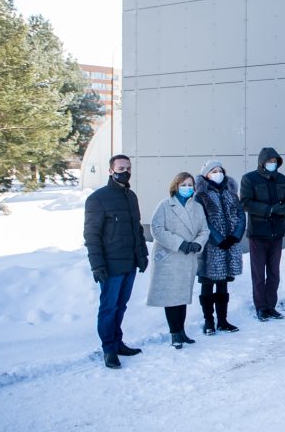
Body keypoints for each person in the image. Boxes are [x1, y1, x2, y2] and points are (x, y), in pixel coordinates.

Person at [83, 154, 149, 369]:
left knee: (121, 306)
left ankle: (118, 342)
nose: (125, 171)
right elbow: (91, 235)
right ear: (111, 171)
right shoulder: (98, 199)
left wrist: (142, 255)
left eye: (128, 168)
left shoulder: (131, 197)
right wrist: (97, 265)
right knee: (109, 308)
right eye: (121, 168)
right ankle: (109, 349)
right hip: (110, 265)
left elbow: (137, 229)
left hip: (129, 263)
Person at [148, 172, 210, 348]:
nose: (187, 188)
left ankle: (181, 331)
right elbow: (157, 229)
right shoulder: (165, 205)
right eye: (183, 184)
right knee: (171, 297)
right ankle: (174, 333)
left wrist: (197, 244)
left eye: (190, 185)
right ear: (175, 186)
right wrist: (180, 243)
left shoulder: (197, 207)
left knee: (182, 296)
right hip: (170, 256)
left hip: (187, 258)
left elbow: (204, 230)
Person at [240, 147, 285, 321]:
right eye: (270, 161)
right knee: (258, 273)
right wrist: (269, 210)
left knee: (274, 273)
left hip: (277, 232)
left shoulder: (281, 178)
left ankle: (271, 306)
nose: (273, 164)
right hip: (258, 233)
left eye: (275, 161)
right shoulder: (249, 179)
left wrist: (283, 208)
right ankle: (261, 307)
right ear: (262, 162)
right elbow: (246, 203)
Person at [194, 160, 246, 334]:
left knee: (223, 285)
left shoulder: (231, 193)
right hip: (211, 248)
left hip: (230, 246)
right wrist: (217, 239)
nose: (218, 174)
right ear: (206, 175)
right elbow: (203, 221)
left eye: (220, 170)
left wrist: (235, 236)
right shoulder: (201, 196)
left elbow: (240, 215)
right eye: (213, 171)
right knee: (208, 284)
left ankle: (223, 320)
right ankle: (208, 321)